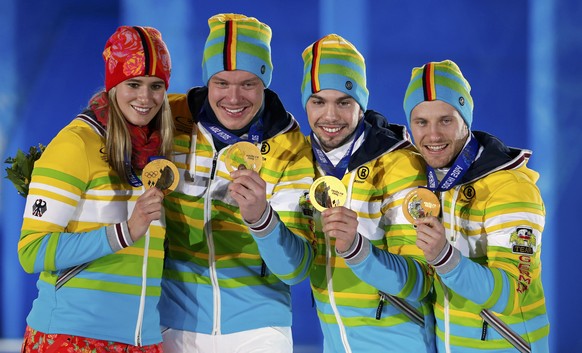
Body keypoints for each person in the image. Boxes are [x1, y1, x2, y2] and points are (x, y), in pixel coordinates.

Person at [250, 34, 436, 352]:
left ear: (361, 104)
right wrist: (261, 221)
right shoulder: (301, 162)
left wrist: (357, 249)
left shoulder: (400, 165)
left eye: (344, 102)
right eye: (318, 101)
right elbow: (292, 270)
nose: (330, 116)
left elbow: (421, 280)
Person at [158, 13, 314, 353]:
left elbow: (296, 269)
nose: (234, 98)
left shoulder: (290, 147)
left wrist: (262, 218)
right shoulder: (170, 121)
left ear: (265, 83)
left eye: (248, 84)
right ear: (207, 81)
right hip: (173, 323)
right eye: (222, 83)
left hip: (259, 329)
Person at [17, 26, 173, 352]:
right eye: (133, 84)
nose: (145, 98)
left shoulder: (157, 152)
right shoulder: (76, 143)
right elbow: (31, 252)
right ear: (113, 85)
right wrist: (126, 231)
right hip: (73, 337)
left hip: (143, 341)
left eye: (156, 86)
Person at [403, 59, 550, 352]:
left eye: (446, 120)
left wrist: (445, 258)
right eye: (421, 122)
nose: (432, 135)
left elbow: (513, 295)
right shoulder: (431, 181)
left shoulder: (510, 187)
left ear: (466, 121)